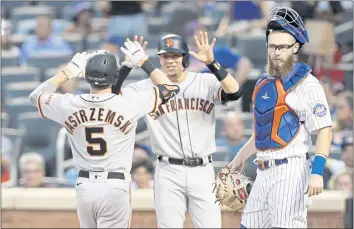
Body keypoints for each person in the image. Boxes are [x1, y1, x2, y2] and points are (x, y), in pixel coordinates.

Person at [28, 41, 180, 227]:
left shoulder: (70, 104)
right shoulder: (128, 103)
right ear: (114, 77)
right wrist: (143, 61)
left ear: (87, 76)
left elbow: (35, 96)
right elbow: (171, 89)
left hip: (84, 186)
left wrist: (66, 73)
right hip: (114, 186)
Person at [114, 32, 242, 227]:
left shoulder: (203, 81)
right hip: (168, 170)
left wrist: (212, 63)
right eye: (165, 56)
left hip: (203, 169)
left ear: (185, 58)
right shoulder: (146, 87)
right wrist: (124, 68)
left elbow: (235, 92)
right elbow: (112, 101)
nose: (170, 61)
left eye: (175, 56)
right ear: (160, 59)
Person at [228, 7, 333, 228]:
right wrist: (238, 159)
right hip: (263, 170)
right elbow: (262, 131)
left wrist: (317, 172)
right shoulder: (264, 81)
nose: (276, 52)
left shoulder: (307, 84)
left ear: (295, 47)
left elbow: (324, 129)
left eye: (283, 47)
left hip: (291, 171)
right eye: (273, 46)